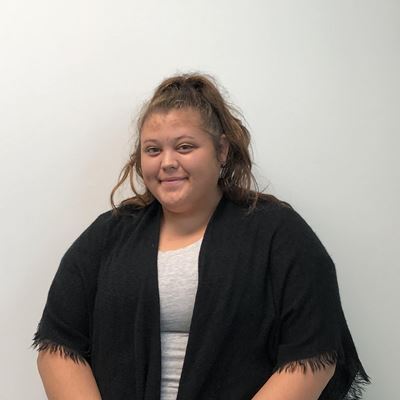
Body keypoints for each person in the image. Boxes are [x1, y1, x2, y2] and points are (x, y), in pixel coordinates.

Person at [33, 72, 371, 400]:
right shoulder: (107, 236)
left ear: (221, 150)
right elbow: (58, 345)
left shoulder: (279, 234)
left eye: (184, 146)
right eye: (153, 150)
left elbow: (314, 353)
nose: (167, 162)